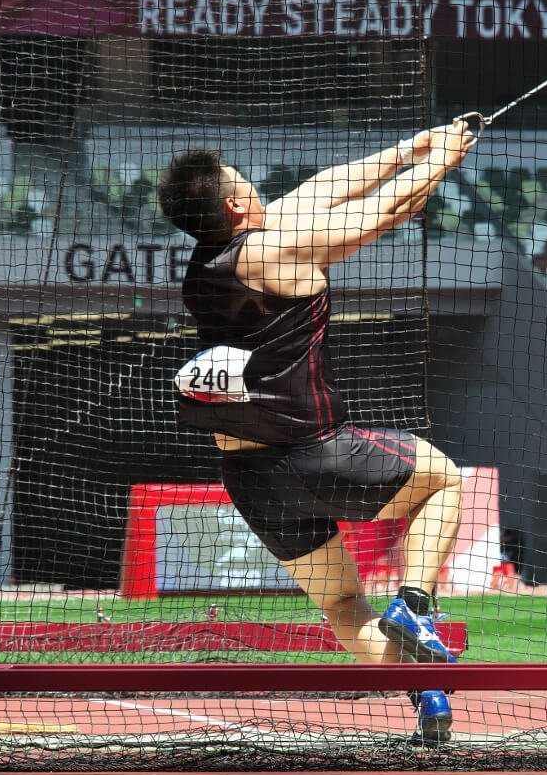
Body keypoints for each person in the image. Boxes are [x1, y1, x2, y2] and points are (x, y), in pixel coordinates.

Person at [158, 120, 476, 743]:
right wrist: (441, 162)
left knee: (339, 606)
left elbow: (327, 186)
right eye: (248, 184)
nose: (260, 190)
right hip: (318, 452)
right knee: (443, 480)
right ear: (236, 204)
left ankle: (428, 696)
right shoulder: (275, 252)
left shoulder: (206, 263)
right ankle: (413, 604)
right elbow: (381, 215)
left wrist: (416, 146)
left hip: (250, 479)